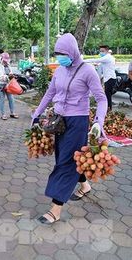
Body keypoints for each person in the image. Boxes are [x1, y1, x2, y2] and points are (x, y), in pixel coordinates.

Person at [31, 33, 107, 224]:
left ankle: (55, 209)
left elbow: (101, 99)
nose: (59, 57)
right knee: (66, 157)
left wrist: (98, 121)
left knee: (65, 163)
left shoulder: (87, 70)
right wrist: (37, 114)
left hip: (77, 122)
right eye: (57, 53)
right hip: (59, 121)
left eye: (62, 53)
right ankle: (84, 186)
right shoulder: (60, 70)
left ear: (73, 51)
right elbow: (50, 93)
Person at [84, 45, 116, 111]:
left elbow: (96, 60)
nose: (101, 52)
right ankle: (108, 108)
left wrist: (83, 61)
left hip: (110, 78)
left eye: (102, 51)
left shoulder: (107, 57)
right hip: (109, 78)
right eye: (100, 51)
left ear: (107, 51)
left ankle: (108, 109)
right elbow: (102, 63)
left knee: (108, 95)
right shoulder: (108, 57)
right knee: (107, 94)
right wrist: (98, 64)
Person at [0, 52, 19, 120]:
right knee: (2, 99)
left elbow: (10, 72)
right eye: (4, 60)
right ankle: (3, 114)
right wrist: (4, 77)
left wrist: (11, 75)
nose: (5, 62)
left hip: (8, 84)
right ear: (1, 58)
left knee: (11, 99)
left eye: (6, 61)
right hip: (0, 85)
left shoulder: (8, 65)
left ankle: (12, 112)